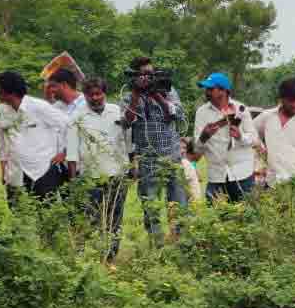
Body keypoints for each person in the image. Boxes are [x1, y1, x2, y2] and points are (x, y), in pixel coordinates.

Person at [65, 78, 130, 261]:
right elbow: (71, 153)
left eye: (98, 94)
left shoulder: (117, 111)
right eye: (90, 95)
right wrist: (74, 182)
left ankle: (111, 258)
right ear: (84, 96)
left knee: (115, 218)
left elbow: (127, 141)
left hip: (118, 174)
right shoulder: (77, 116)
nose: (95, 98)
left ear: (104, 93)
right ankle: (93, 257)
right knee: (93, 219)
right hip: (91, 176)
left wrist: (131, 166)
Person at [123, 57, 187, 241]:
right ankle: (156, 244)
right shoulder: (128, 95)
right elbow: (126, 122)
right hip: (147, 160)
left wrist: (157, 95)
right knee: (150, 206)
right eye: (143, 75)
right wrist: (136, 95)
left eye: (151, 74)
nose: (147, 79)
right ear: (134, 76)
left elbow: (179, 115)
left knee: (179, 202)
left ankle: (180, 241)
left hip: (172, 156)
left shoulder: (168, 90)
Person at [0, 71, 69, 200]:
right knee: (18, 214)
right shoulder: (2, 110)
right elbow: (2, 143)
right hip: (15, 172)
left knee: (45, 215)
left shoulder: (38, 107)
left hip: (42, 171)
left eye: (0, 90)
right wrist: (3, 171)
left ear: (10, 92)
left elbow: (68, 125)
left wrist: (64, 152)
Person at [194, 72, 259, 203]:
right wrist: (204, 136)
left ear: (224, 91)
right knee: (215, 219)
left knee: (246, 218)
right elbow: (197, 148)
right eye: (206, 88)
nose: (206, 91)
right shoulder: (201, 112)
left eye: (210, 89)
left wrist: (240, 137)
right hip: (216, 176)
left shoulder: (241, 109)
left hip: (243, 174)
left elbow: (254, 139)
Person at [254, 78, 295, 190]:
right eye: (291, 101)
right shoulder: (267, 116)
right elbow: (250, 131)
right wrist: (259, 148)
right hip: (271, 183)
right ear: (281, 99)